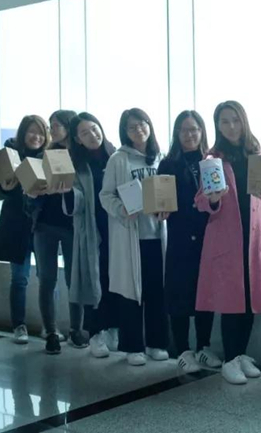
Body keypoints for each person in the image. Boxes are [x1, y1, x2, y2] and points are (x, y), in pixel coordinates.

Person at [195, 100, 261, 385]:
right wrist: (213, 199)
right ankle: (230, 359)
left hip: (253, 239)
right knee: (231, 301)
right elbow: (201, 201)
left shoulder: (260, 156)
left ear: (244, 121)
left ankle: (241, 354)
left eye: (235, 120)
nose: (231, 126)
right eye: (224, 121)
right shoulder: (212, 159)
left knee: (250, 300)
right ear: (217, 126)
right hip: (225, 239)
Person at [99, 108, 170, 366]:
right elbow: (105, 195)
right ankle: (133, 346)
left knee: (156, 290)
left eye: (142, 124)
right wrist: (122, 209)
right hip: (131, 236)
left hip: (157, 235)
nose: (138, 129)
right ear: (125, 132)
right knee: (131, 292)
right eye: (132, 127)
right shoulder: (118, 160)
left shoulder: (160, 158)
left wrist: (167, 209)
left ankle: (156, 343)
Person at [158, 110, 222, 374]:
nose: (190, 134)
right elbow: (160, 201)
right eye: (184, 130)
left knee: (205, 292)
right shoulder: (168, 164)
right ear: (177, 133)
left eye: (194, 129)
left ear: (202, 131)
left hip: (208, 236)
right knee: (179, 293)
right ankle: (183, 350)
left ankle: (203, 346)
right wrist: (158, 210)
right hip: (180, 237)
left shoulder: (212, 161)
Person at [25, 109, 86, 355]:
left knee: (74, 279)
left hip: (73, 226)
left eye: (57, 125)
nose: (53, 130)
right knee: (47, 279)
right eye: (51, 126)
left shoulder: (81, 156)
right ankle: (50, 332)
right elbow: (29, 197)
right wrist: (32, 192)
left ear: (69, 126)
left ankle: (76, 330)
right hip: (45, 225)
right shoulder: (44, 156)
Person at [62, 112, 121, 358]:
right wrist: (66, 191)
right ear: (77, 139)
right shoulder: (77, 165)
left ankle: (114, 328)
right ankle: (96, 333)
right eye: (84, 133)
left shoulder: (117, 155)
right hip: (92, 229)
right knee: (95, 282)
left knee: (116, 281)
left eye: (94, 129)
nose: (92, 135)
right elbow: (75, 203)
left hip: (119, 228)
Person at [0, 115, 50, 344]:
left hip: (43, 226)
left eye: (41, 133)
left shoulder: (50, 158)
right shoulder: (10, 158)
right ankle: (19, 325)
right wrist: (5, 188)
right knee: (19, 278)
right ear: (23, 133)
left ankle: (49, 326)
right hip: (17, 227)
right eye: (31, 132)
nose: (36, 137)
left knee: (47, 279)